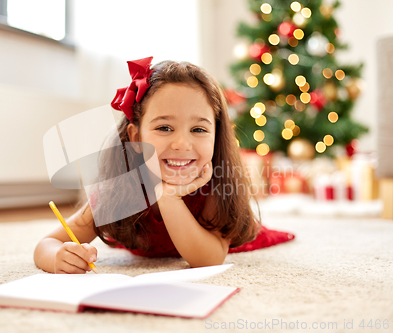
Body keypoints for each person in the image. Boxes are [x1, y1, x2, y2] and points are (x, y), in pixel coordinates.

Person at [34, 56, 262, 274]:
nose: (182, 144)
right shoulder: (116, 190)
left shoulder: (213, 186)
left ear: (216, 135)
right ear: (136, 138)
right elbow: (47, 243)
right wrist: (58, 257)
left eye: (199, 130)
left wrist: (169, 197)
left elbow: (209, 260)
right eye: (164, 128)